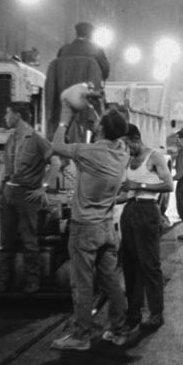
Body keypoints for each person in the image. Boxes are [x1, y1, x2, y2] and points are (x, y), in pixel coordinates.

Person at [50, 107, 130, 351]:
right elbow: (110, 134)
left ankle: (81, 336)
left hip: (84, 227)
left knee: (82, 285)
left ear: (103, 129)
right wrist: (98, 115)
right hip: (107, 227)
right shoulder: (122, 152)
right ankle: (119, 330)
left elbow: (56, 145)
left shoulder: (89, 151)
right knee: (112, 283)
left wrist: (64, 119)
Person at [0, 102, 60, 294]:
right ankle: (3, 282)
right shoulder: (11, 139)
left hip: (27, 195)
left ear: (18, 115)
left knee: (29, 240)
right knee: (5, 241)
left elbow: (55, 163)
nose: (5, 118)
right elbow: (4, 168)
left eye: (8, 113)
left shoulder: (37, 139)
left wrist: (44, 187)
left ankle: (33, 283)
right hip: (9, 193)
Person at [118, 124, 174, 337]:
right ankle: (133, 312)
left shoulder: (155, 157)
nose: (126, 149)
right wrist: (113, 199)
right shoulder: (129, 161)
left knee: (149, 265)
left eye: (127, 144)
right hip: (130, 211)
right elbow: (128, 191)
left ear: (136, 139)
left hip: (147, 211)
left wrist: (138, 186)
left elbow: (168, 185)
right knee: (130, 264)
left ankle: (156, 313)